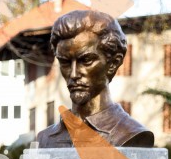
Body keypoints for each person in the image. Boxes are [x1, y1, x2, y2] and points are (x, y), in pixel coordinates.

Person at [37, 10, 153, 147]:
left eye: (86, 60)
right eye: (65, 62)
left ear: (113, 63)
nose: (73, 74)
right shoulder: (45, 138)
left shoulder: (129, 134)